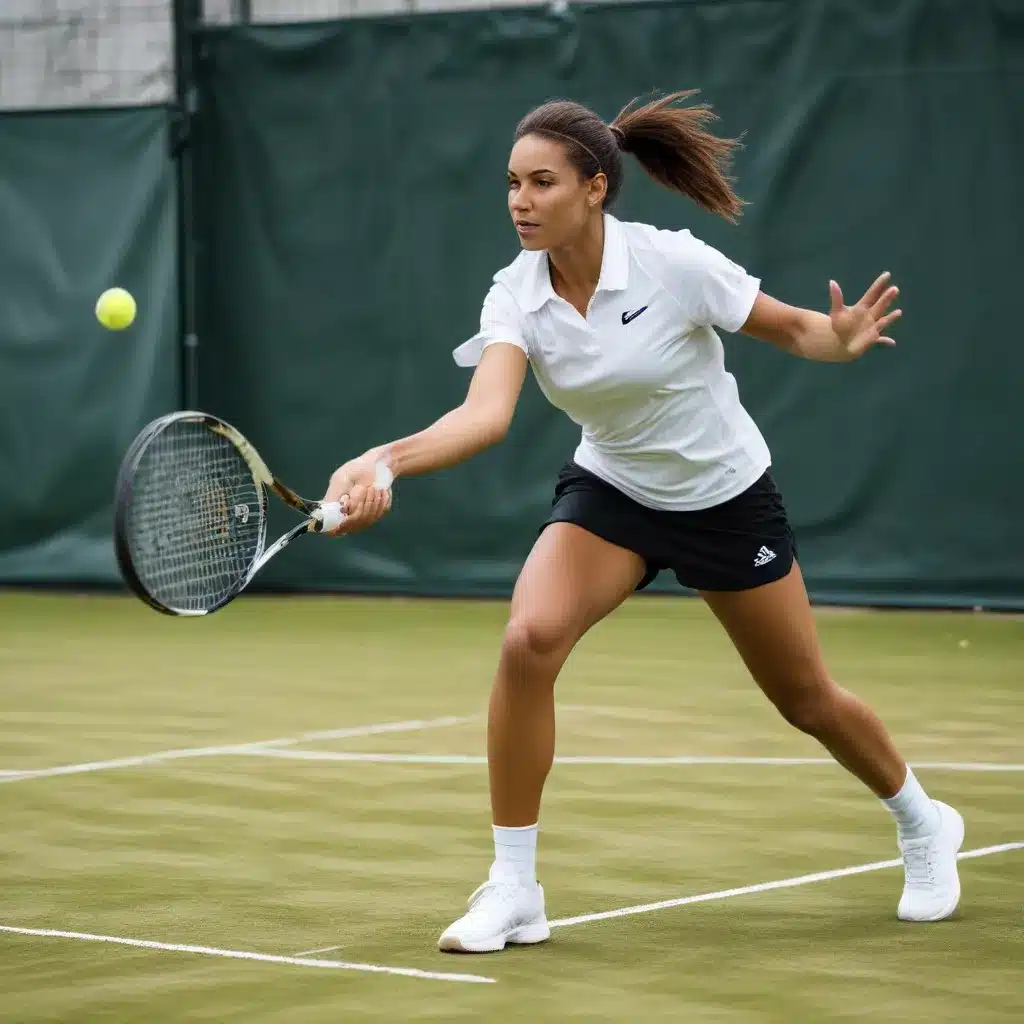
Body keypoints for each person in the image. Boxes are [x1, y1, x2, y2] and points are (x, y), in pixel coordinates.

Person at [319, 91, 964, 953]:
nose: (519, 201)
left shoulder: (672, 264)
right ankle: (515, 889)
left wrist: (837, 340)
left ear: (594, 188)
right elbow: (485, 416)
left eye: (541, 183)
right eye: (511, 183)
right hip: (614, 490)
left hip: (725, 497)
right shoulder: (516, 294)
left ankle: (923, 823)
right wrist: (384, 461)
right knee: (528, 641)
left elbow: (795, 328)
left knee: (804, 698)